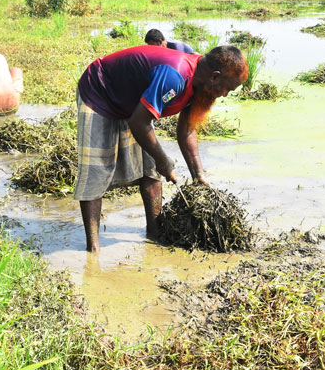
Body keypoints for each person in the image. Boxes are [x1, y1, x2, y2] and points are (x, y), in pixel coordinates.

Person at [74, 43, 247, 253]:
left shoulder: (203, 87)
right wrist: (163, 159)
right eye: (228, 88)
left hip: (132, 105)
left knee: (151, 170)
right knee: (97, 170)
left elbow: (187, 131)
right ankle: (93, 249)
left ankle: (154, 234)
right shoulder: (175, 76)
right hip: (100, 91)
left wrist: (198, 175)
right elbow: (139, 122)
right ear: (215, 76)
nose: (226, 94)